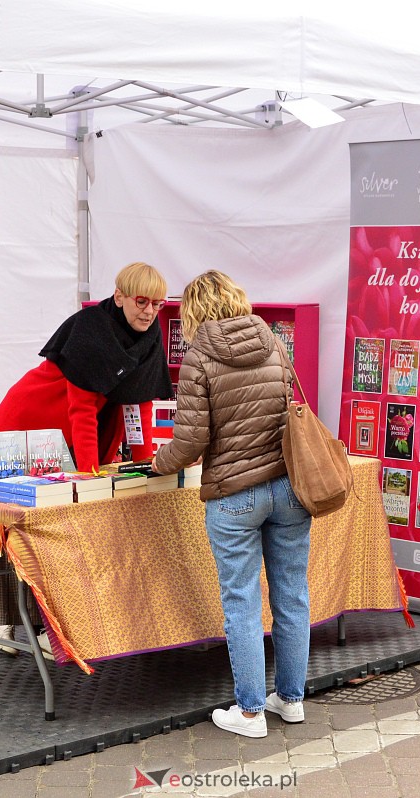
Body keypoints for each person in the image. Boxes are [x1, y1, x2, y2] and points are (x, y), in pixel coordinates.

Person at [0, 262, 173, 651]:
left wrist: (145, 463)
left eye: (157, 303)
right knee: (22, 526)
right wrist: (88, 475)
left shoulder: (149, 334)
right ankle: (3, 620)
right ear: (119, 297)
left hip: (77, 438)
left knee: (53, 533)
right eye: (141, 302)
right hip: (31, 428)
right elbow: (80, 410)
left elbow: (140, 403)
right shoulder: (90, 330)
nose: (149, 311)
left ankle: (28, 625)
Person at [151, 270, 312, 738]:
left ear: (195, 311)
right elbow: (289, 410)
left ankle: (249, 712)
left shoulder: (199, 356)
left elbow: (191, 440)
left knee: (242, 603)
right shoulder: (272, 339)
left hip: (234, 496)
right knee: (292, 595)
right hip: (287, 487)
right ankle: (292, 698)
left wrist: (157, 465)